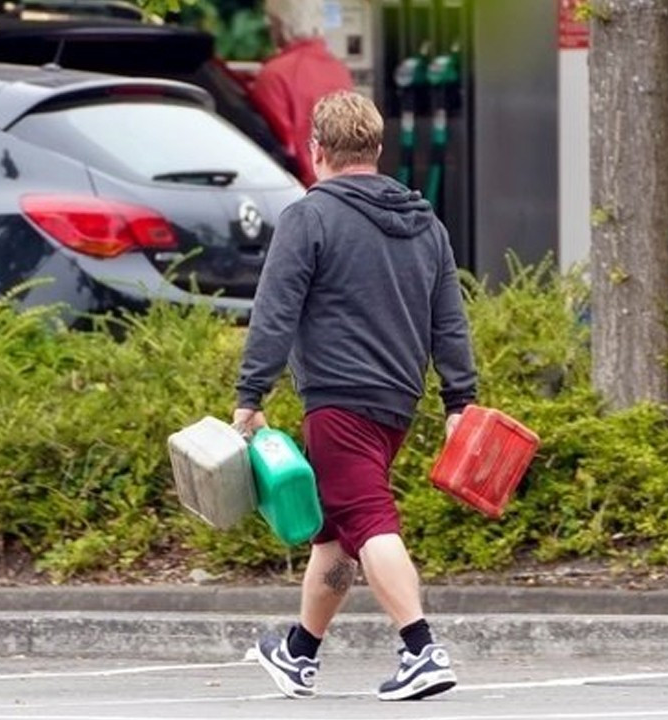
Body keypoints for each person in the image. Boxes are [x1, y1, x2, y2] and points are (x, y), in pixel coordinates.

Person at [233, 90, 478, 702]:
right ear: (377, 148)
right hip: (396, 401)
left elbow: (275, 312)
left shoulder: (309, 217)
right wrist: (458, 402)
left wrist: (250, 392)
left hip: (338, 400)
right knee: (335, 529)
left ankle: (421, 648)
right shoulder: (426, 223)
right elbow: (449, 321)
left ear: (317, 150)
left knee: (367, 518)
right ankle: (299, 652)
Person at [251, 0, 355, 186]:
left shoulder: (274, 75)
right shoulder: (340, 70)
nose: (267, 24)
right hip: (350, 188)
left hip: (305, 190)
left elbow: (282, 148)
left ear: (281, 22)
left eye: (271, 18)